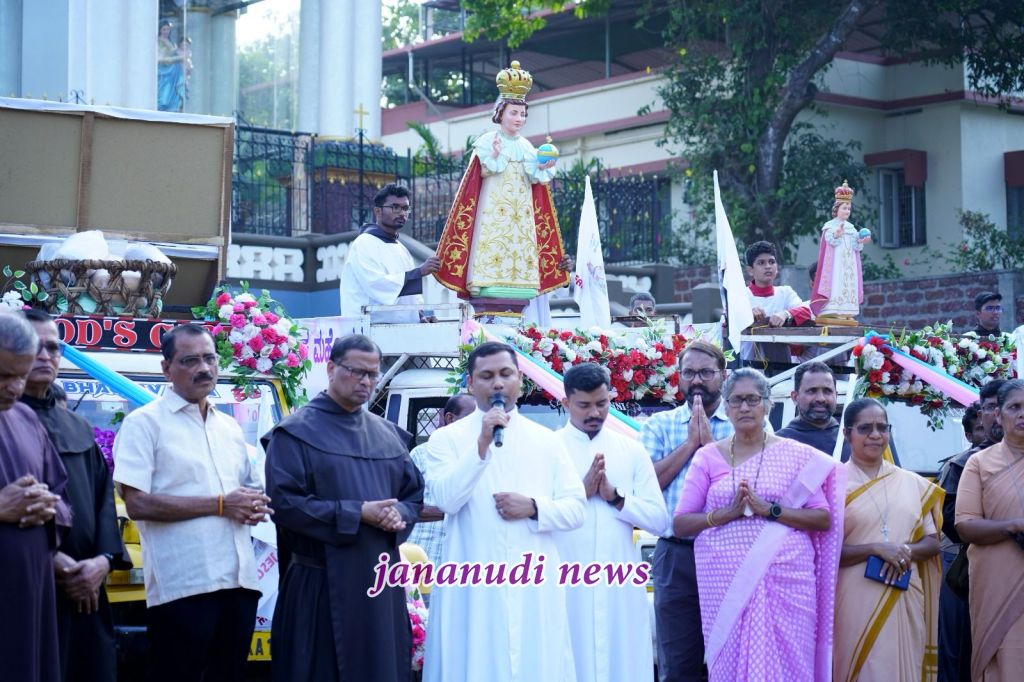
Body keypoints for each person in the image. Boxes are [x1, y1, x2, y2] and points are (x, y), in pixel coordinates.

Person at [113, 324, 270, 682]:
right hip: (184, 586)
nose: (204, 368)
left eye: (209, 358)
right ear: (166, 368)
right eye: (190, 360)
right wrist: (220, 505)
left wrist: (253, 505)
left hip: (240, 583)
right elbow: (137, 505)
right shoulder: (144, 424)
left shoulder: (229, 427)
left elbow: (247, 492)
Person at [421, 341, 585, 682]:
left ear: (520, 381)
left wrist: (534, 508)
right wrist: (481, 445)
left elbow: (575, 509)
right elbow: (447, 500)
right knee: (472, 661)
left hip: (533, 582)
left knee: (535, 663)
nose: (498, 383)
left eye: (506, 374)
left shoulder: (548, 441)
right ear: (470, 383)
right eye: (487, 376)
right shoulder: (446, 440)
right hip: (472, 580)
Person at [264, 334, 424, 682]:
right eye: (356, 371)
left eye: (373, 374)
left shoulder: (389, 435)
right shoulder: (294, 433)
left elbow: (413, 496)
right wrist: (357, 513)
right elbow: (284, 503)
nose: (366, 381)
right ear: (331, 368)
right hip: (320, 582)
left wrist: (399, 515)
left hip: (379, 584)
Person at [673, 367, 842, 681]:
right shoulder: (707, 458)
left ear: (767, 405)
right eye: (736, 400)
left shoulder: (795, 455)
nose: (745, 407)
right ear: (726, 408)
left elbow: (822, 517)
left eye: (752, 399)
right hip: (724, 583)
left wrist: (770, 510)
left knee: (790, 663)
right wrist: (725, 514)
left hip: (787, 581)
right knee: (729, 663)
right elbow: (681, 523)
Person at [20, 309, 127, 682]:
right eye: (33, 347)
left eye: (53, 348)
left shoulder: (77, 425)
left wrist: (103, 561)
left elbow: (102, 501)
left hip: (87, 588)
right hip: (25, 583)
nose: (45, 356)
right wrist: (54, 561)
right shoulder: (6, 418)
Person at [555, 363, 669, 682]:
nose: (595, 413)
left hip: (618, 580)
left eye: (602, 403)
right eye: (584, 405)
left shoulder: (631, 450)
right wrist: (580, 493)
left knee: (623, 662)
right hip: (566, 578)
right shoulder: (549, 449)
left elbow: (659, 520)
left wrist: (616, 498)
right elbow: (533, 514)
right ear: (566, 403)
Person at [434, 61, 569, 306]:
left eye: (523, 114)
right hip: (493, 212)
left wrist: (542, 168)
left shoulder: (527, 146)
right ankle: (485, 278)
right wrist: (494, 155)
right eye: (514, 113)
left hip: (522, 214)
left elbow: (534, 180)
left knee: (521, 244)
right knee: (492, 243)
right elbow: (479, 175)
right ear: (501, 113)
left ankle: (523, 280)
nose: (519, 118)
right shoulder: (488, 141)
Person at [640, 341, 734, 682]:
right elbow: (647, 483)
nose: (697, 380)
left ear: (723, 375)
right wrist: (690, 444)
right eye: (689, 372)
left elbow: (755, 485)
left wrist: (709, 449)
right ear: (678, 377)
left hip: (731, 552)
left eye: (706, 372)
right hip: (676, 555)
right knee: (678, 664)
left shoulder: (744, 422)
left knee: (733, 657)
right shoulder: (659, 424)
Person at [834, 398, 943, 681]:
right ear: (847, 433)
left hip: (904, 592)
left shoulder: (912, 483)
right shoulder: (833, 483)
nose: (875, 435)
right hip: (853, 597)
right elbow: (824, 552)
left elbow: (932, 542)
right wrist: (875, 548)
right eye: (865, 428)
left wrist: (902, 550)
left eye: (882, 428)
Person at [0, 310, 72, 682]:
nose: (14, 387)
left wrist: (47, 506)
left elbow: (61, 496)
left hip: (31, 592)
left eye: (20, 375)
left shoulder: (26, 419)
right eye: (3, 375)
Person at [955, 379, 1024, 681]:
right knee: (1002, 660)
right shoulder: (979, 463)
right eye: (1014, 407)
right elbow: (965, 525)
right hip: (996, 584)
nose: (1022, 414)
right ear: (998, 414)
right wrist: (1014, 525)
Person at [339, 184, 440, 324]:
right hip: (370, 328)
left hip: (402, 329)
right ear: (377, 211)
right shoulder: (363, 244)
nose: (402, 213)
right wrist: (419, 272)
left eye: (405, 208)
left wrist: (420, 317)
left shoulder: (401, 249)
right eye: (395, 207)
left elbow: (412, 298)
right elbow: (377, 285)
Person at [407, 393, 476, 565]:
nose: (477, 426)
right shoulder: (421, 454)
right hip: (423, 555)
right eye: (472, 419)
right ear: (450, 418)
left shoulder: (481, 459)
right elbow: (405, 508)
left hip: (462, 561)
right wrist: (453, 510)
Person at [809, 181, 871, 321]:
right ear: (837, 209)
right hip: (836, 263)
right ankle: (832, 309)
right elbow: (828, 242)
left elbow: (855, 245)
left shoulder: (851, 227)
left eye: (849, 208)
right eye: (844, 208)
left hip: (849, 263)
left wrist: (861, 241)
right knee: (836, 283)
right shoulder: (830, 226)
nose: (847, 211)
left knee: (848, 283)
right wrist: (836, 234)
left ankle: (847, 311)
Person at [741, 241, 812, 364]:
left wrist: (786, 314)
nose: (768, 266)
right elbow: (727, 321)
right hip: (746, 363)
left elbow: (807, 311)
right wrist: (746, 314)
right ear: (750, 270)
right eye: (761, 263)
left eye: (772, 262)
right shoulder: (740, 296)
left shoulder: (785, 292)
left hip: (781, 366)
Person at [775, 361, 844, 456]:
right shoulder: (779, 445)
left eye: (827, 391)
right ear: (795, 397)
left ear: (836, 396)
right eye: (812, 391)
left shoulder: (850, 440)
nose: (821, 399)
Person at [157, 21, 186, 112]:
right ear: (160, 30)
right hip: (165, 72)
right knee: (164, 96)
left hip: (175, 73)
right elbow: (161, 59)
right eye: (164, 29)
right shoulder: (159, 42)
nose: (166, 31)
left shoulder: (171, 42)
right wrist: (179, 58)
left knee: (175, 94)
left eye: (168, 29)